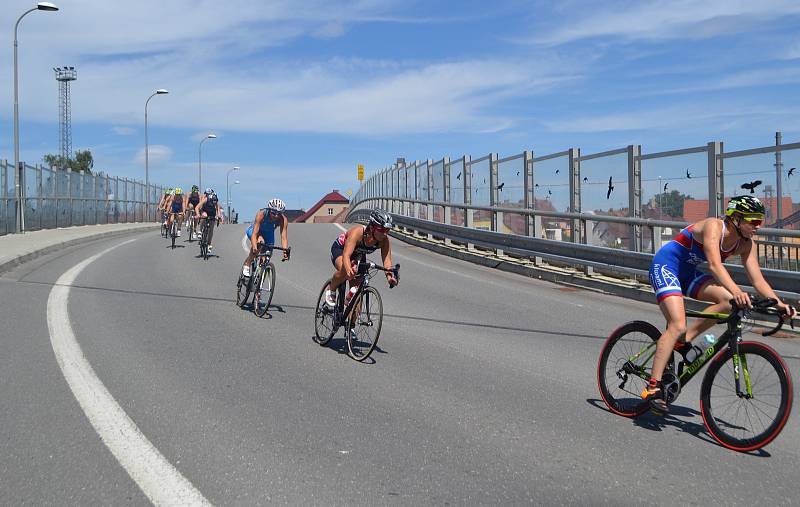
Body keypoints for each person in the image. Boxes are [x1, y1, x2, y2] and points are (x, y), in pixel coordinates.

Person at [643, 195, 797, 414]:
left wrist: (779, 304)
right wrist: (737, 291)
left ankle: (684, 340)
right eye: (754, 221)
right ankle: (653, 387)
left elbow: (758, 279)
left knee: (727, 301)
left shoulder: (746, 244)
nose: (758, 226)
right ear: (736, 218)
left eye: (761, 221)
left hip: (688, 273)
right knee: (677, 324)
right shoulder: (714, 226)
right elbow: (715, 265)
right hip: (666, 266)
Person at [326, 208, 398, 307]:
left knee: (357, 300)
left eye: (387, 230)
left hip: (358, 256)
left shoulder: (384, 240)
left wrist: (390, 278)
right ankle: (332, 288)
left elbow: (387, 261)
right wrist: (348, 270)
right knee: (345, 271)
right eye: (381, 230)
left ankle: (351, 319)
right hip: (341, 249)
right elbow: (346, 255)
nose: (385, 233)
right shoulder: (358, 232)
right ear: (372, 227)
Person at [242, 198, 289, 277]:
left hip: (268, 234)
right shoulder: (261, 214)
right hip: (255, 231)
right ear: (269, 210)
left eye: (279, 213)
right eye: (274, 213)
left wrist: (285, 252)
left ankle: (258, 284)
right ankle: (247, 265)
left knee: (266, 258)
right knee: (260, 243)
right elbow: (254, 233)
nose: (276, 216)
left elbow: (284, 237)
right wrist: (254, 247)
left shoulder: (283, 220)